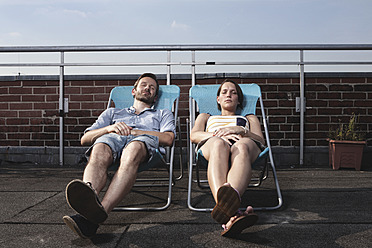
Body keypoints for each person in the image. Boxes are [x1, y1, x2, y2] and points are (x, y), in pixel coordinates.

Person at [63, 73, 176, 239]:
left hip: (143, 143)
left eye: (152, 88)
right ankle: (89, 197)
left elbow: (168, 138)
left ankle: (102, 210)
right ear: (133, 91)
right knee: (100, 146)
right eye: (144, 85)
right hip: (113, 139)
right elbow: (85, 139)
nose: (147, 88)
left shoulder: (162, 114)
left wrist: (135, 132)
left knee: (133, 148)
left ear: (155, 96)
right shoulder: (112, 112)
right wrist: (109, 128)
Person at [190, 80, 266, 237]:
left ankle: (227, 211)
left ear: (239, 100)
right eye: (224, 92)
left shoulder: (249, 117)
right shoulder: (206, 116)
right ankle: (233, 213)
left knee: (243, 145)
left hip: (243, 146)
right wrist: (219, 134)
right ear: (218, 99)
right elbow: (194, 135)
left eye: (233, 92)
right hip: (213, 145)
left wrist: (241, 130)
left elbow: (260, 140)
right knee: (218, 144)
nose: (228, 95)